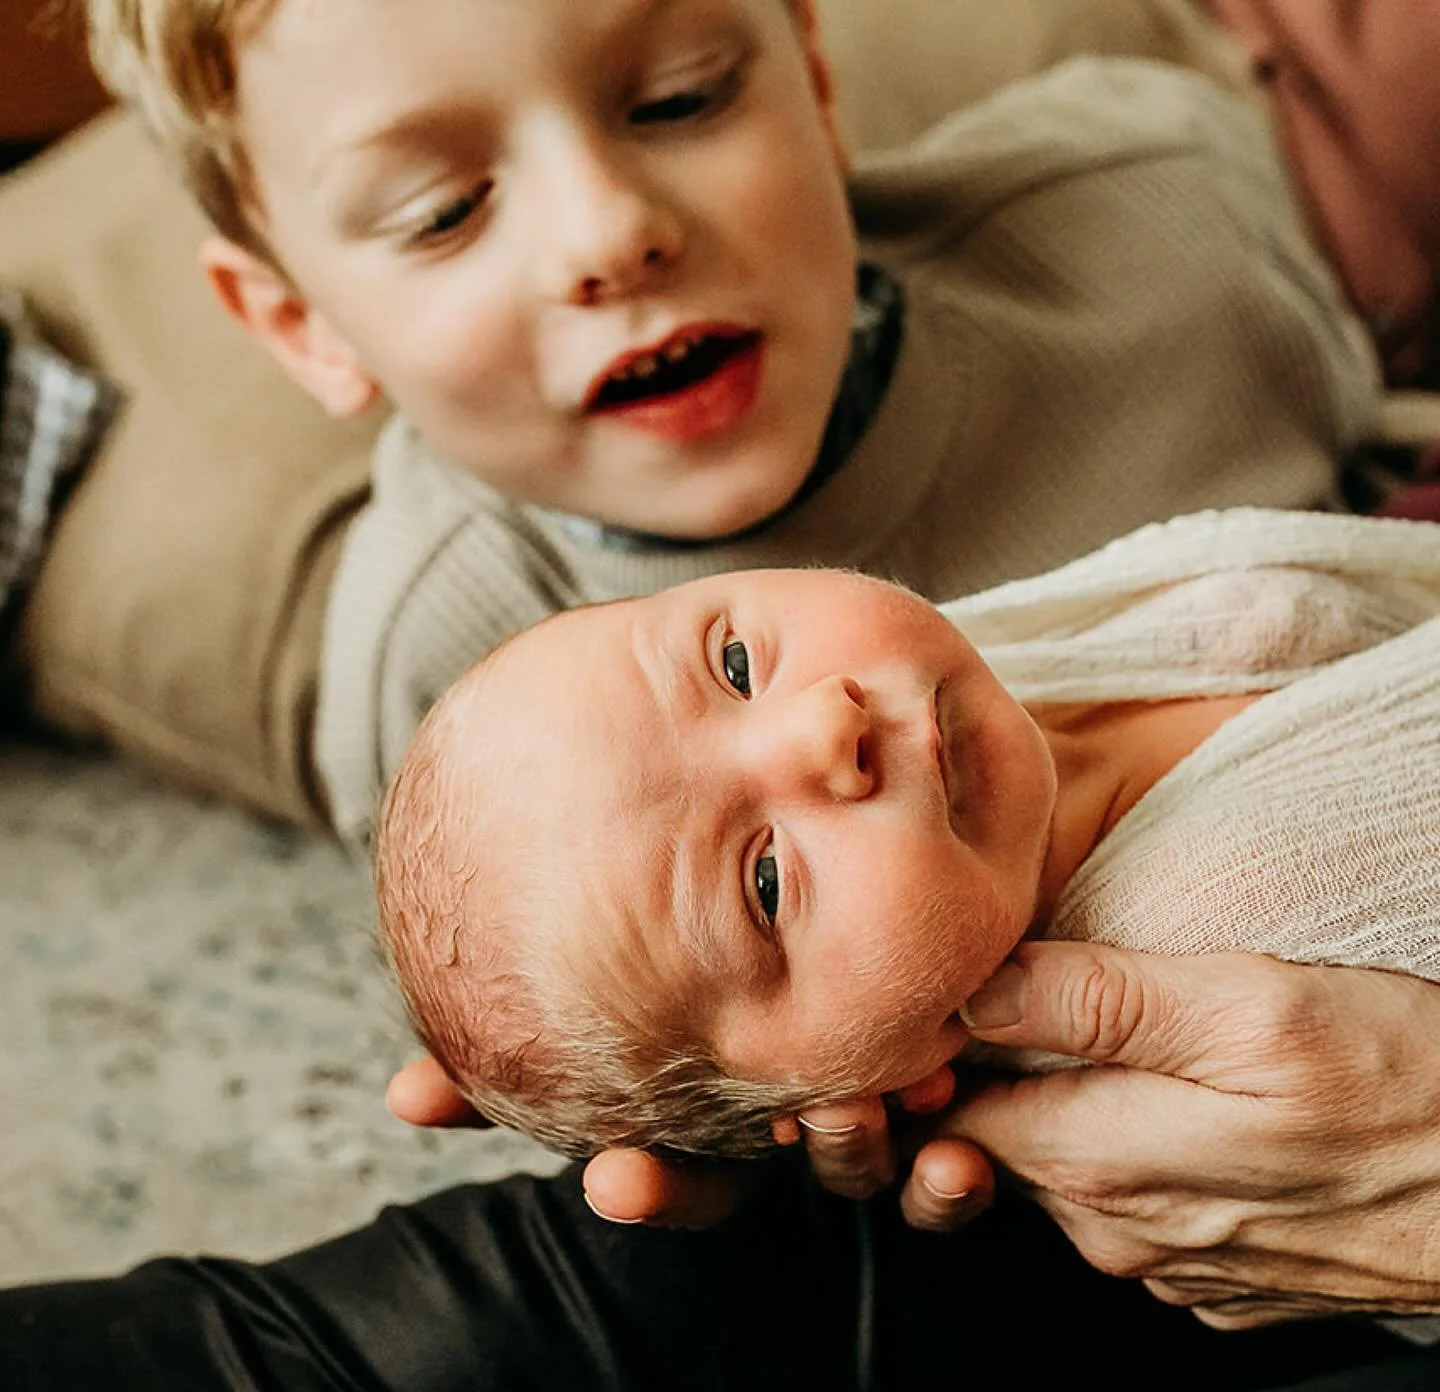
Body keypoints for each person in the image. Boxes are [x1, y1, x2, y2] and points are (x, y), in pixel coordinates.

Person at [32, 0, 1384, 844]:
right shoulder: (439, 674)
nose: (611, 232)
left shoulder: (1171, 236)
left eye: (683, 97)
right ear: (301, 329)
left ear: (814, 79)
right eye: (442, 212)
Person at [372, 507, 1440, 1179]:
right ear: (836, 1093)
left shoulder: (1017, 663)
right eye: (766, 879)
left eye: (734, 664)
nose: (821, 725)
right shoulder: (1221, 941)